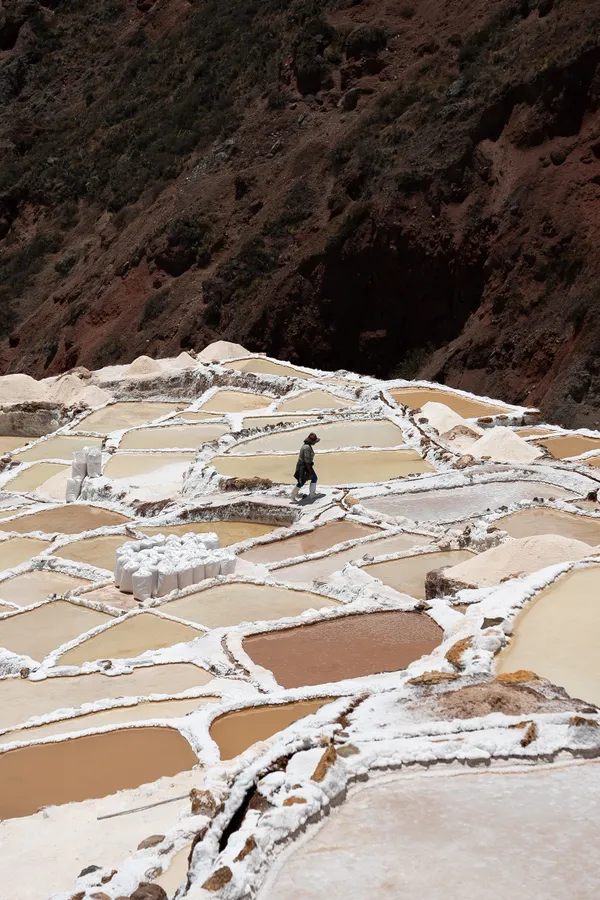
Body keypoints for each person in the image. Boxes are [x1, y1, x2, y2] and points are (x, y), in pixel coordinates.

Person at [292, 432, 320, 501]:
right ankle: (311, 495)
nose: (315, 443)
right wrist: (309, 470)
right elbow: (307, 460)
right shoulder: (307, 448)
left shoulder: (306, 446)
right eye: (314, 441)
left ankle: (294, 494)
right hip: (304, 466)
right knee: (312, 478)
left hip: (304, 465)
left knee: (303, 480)